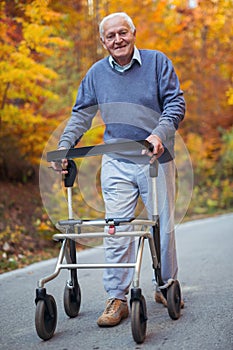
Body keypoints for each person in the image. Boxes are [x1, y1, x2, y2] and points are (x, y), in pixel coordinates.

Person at [52, 12, 185, 327]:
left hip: (156, 158)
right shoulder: (97, 73)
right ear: (103, 41)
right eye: (110, 36)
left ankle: (166, 287)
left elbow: (175, 104)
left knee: (162, 227)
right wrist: (65, 144)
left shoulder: (157, 63)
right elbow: (81, 115)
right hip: (116, 160)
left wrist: (159, 134)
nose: (117, 40)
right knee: (116, 229)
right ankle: (117, 298)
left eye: (122, 33)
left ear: (134, 32)